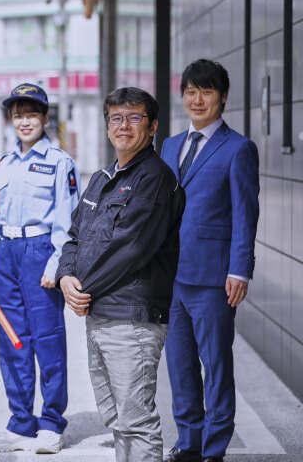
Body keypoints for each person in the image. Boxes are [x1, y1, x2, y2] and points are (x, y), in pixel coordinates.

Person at [56, 87, 185, 462]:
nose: (123, 126)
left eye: (134, 117)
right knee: (118, 420)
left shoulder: (156, 179)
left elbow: (132, 248)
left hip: (133, 318)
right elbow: (75, 236)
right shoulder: (101, 178)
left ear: (153, 126)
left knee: (136, 421)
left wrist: (83, 289)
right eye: (116, 118)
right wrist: (67, 278)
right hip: (99, 314)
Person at [0, 82, 77, 454]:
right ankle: (20, 422)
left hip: (40, 250)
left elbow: (68, 223)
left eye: (32, 113)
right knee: (12, 338)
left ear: (45, 117)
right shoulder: (3, 164)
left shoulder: (60, 162)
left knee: (47, 339)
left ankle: (51, 421)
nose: (24, 120)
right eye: (18, 114)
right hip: (9, 255)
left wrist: (56, 263)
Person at [161, 60, 259, 462]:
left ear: (222, 97)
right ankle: (189, 442)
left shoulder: (238, 148)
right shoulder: (169, 145)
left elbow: (245, 213)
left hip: (214, 277)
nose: (197, 100)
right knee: (179, 365)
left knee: (216, 365)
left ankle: (214, 448)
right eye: (190, 91)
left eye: (206, 92)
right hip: (170, 277)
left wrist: (239, 269)